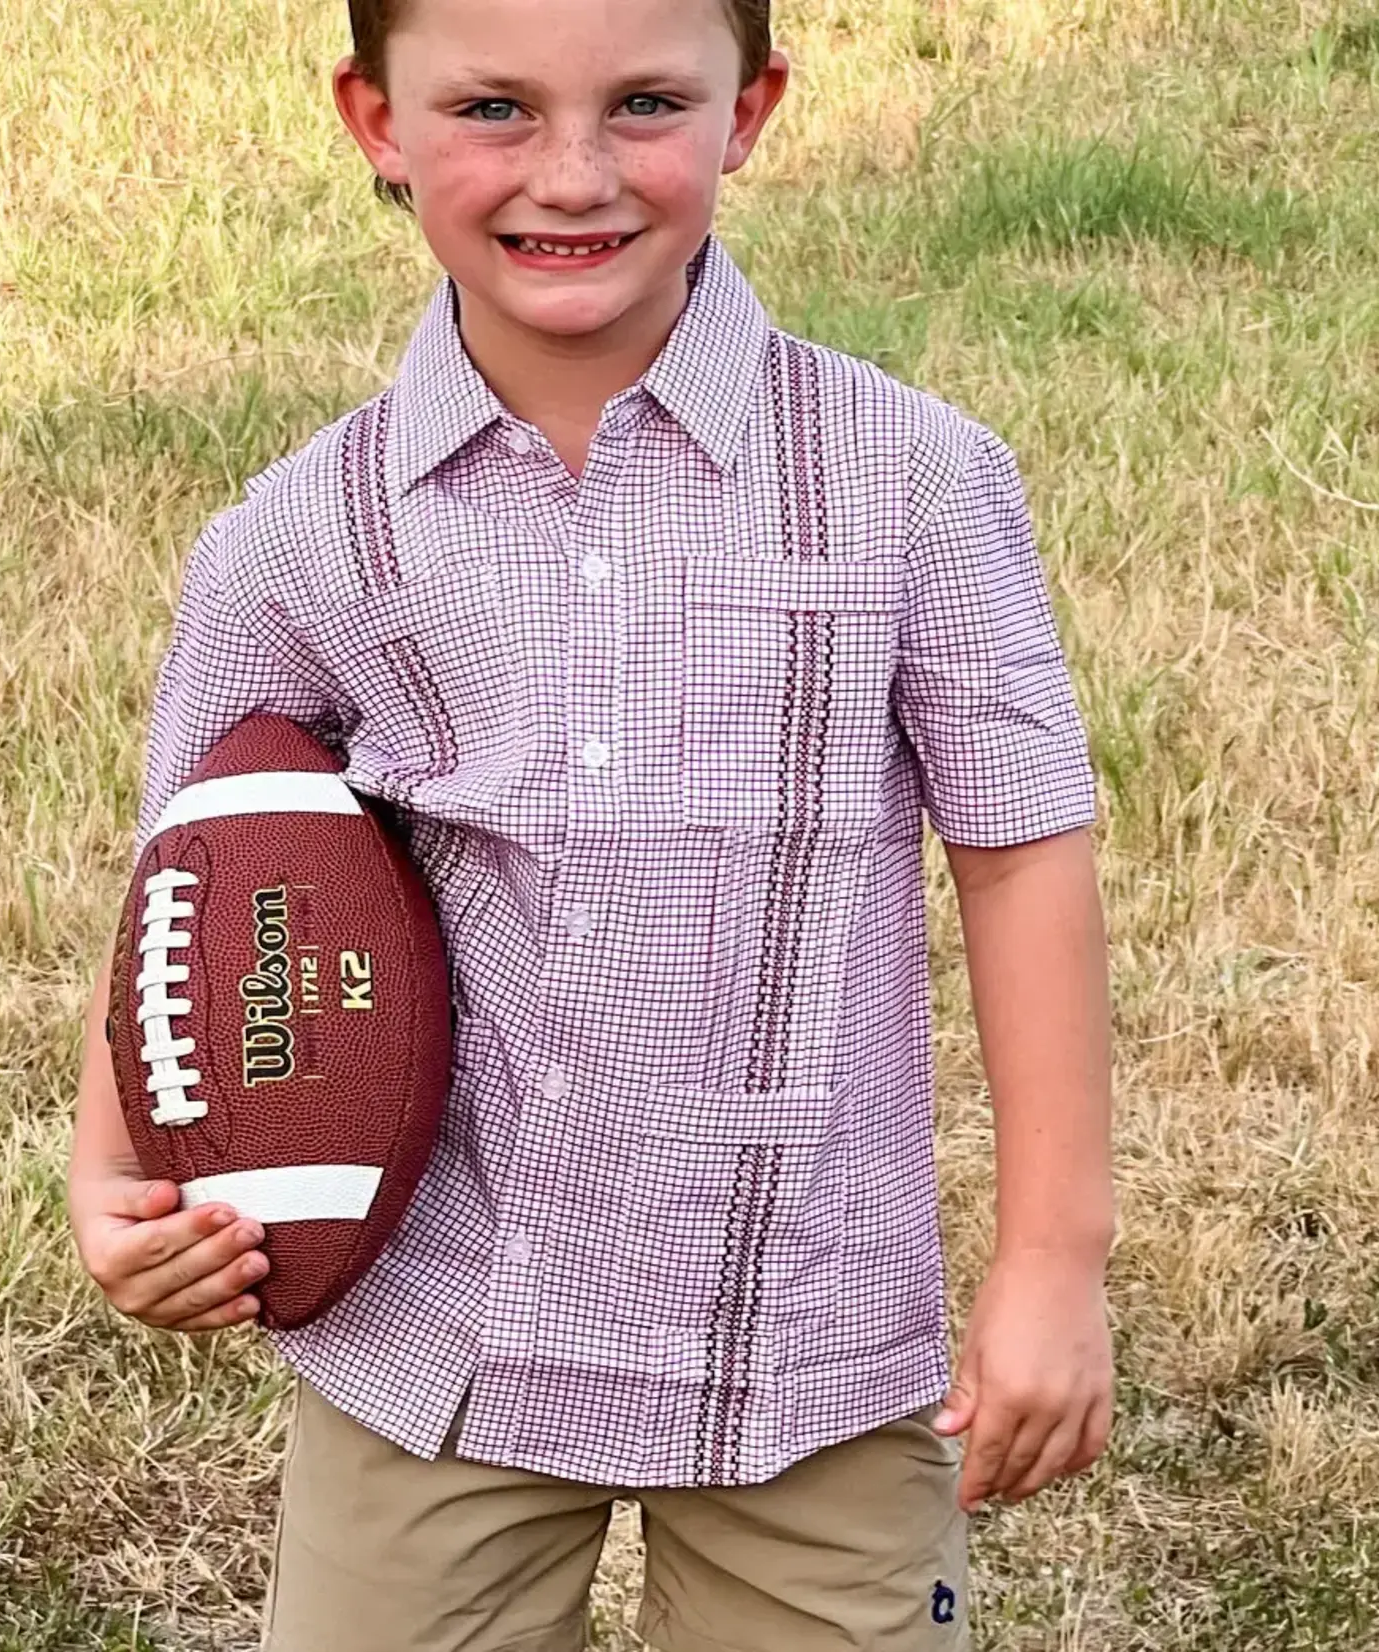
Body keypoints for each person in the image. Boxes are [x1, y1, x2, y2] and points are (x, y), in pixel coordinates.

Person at [67, 0, 1116, 1646]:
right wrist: (120, 1174)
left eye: (643, 104)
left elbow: (1022, 847)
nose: (572, 174)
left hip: (807, 1338)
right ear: (376, 119)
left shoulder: (910, 479)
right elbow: (196, 875)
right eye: (493, 107)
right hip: (438, 1335)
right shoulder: (301, 536)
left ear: (748, 109)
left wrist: (1053, 1258)